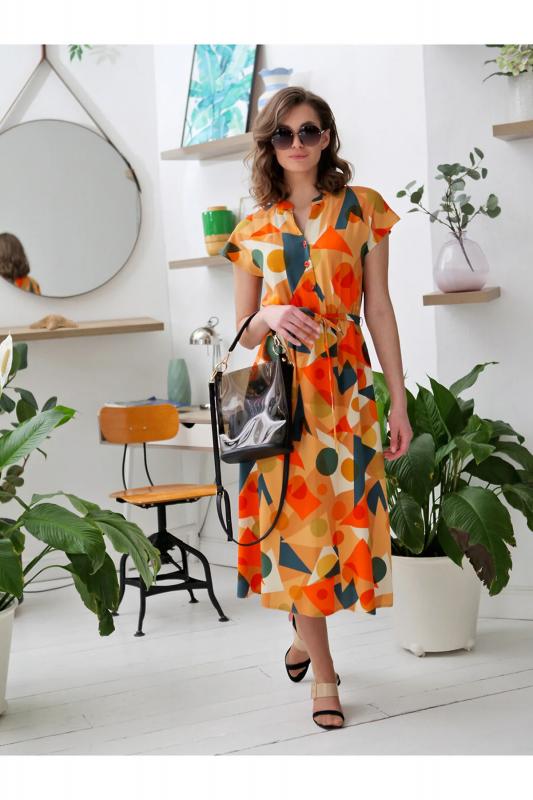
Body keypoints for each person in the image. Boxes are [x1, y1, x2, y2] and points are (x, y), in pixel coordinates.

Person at [221, 86, 413, 730]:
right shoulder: (252, 229)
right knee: (297, 532)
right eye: (284, 133)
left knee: (338, 527)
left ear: (327, 137)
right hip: (283, 398)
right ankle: (325, 677)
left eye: (310, 131)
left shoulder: (363, 210)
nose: (298, 143)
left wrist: (398, 400)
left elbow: (378, 308)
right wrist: (270, 313)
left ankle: (304, 636)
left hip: (349, 394)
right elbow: (242, 331)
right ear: (269, 144)